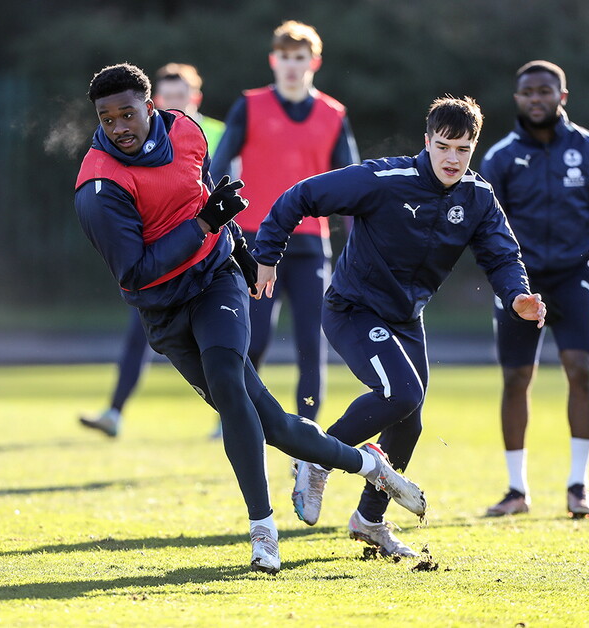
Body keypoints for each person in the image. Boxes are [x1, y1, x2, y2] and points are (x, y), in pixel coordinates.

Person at [74, 63, 426, 574]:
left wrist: (241, 255)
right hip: (163, 309)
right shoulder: (98, 188)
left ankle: (263, 531)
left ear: (151, 108)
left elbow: (210, 201)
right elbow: (136, 272)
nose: (119, 128)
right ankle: (372, 465)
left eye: (127, 114)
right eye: (107, 120)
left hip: (217, 281)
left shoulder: (188, 131)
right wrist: (203, 224)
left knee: (229, 384)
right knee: (276, 426)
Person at [252, 96, 546, 558]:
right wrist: (267, 255)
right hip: (353, 308)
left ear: (474, 148)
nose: (453, 159)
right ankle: (316, 456)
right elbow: (301, 196)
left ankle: (369, 520)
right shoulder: (384, 179)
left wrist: (518, 296)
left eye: (463, 149)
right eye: (444, 146)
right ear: (426, 141)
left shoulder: (477, 197)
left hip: (406, 319)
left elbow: (503, 255)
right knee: (403, 393)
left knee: (409, 425)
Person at [478, 60, 589, 518]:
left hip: (574, 279)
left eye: (545, 91)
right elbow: (482, 225)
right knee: (516, 377)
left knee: (579, 370)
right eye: (528, 93)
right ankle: (516, 490)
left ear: (562, 97)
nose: (537, 99)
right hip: (521, 282)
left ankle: (578, 485)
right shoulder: (501, 157)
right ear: (517, 100)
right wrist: (500, 279)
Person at [209, 20, 359, 430]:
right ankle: (236, 416)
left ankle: (307, 433)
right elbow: (218, 167)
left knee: (312, 344)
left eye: (300, 58)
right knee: (252, 340)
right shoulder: (250, 106)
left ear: (315, 62)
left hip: (312, 245)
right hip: (257, 243)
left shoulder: (333, 114)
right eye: (285, 58)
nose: (292, 66)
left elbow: (353, 185)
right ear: (273, 61)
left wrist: (361, 236)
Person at [79, 62, 225, 438]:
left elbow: (221, 189)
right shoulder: (124, 146)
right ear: (153, 101)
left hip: (209, 258)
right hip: (159, 265)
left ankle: (230, 414)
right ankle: (115, 411)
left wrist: (235, 242)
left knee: (225, 345)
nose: (173, 104)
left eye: (181, 97)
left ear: (196, 98)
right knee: (138, 334)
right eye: (167, 97)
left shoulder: (211, 132)